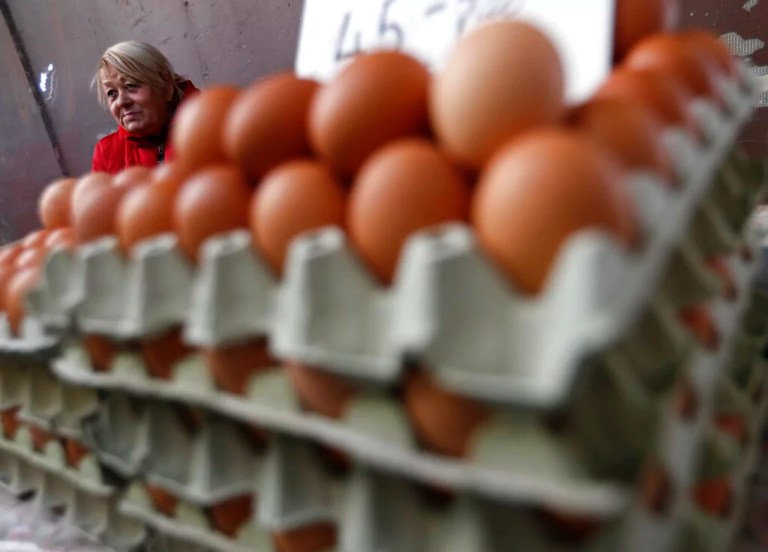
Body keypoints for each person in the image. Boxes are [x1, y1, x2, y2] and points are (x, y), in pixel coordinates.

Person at [91, 41, 198, 173]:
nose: (121, 102)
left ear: (166, 85)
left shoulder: (212, 124)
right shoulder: (106, 155)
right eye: (112, 93)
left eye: (131, 86)